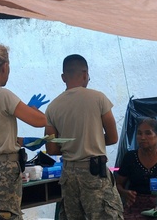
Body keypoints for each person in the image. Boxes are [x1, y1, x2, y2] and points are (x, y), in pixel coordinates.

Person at [0, 43, 48, 220]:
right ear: (5, 67)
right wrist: (32, 108)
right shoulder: (2, 95)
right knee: (8, 215)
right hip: (4, 169)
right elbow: (39, 121)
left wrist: (19, 140)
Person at [45, 54, 124, 219]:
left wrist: (72, 145)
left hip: (68, 176)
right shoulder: (98, 98)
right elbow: (113, 137)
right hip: (93, 174)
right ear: (85, 73)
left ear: (63, 77)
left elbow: (51, 148)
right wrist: (90, 139)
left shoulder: (52, 107)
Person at [116, 117, 157, 219]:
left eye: (148, 133)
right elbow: (118, 184)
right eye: (139, 133)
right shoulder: (130, 157)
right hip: (135, 206)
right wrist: (125, 193)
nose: (143, 137)